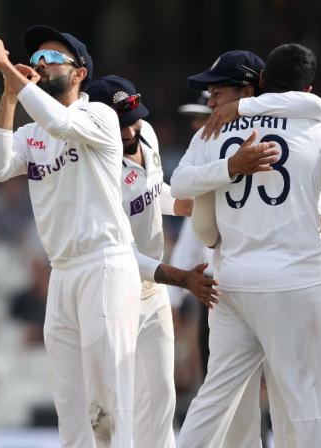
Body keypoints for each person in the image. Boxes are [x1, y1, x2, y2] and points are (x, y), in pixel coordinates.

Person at [175, 43, 321, 448]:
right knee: (307, 404)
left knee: (214, 398)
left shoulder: (214, 129)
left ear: (262, 82)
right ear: (310, 88)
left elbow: (192, 208)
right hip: (296, 283)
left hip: (231, 281)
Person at [0, 25, 141, 448]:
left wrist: (10, 72)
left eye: (52, 60)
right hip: (62, 272)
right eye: (36, 60)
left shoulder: (98, 115)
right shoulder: (33, 133)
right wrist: (10, 93)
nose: (40, 66)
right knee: (71, 406)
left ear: (80, 73)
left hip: (104, 264)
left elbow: (61, 123)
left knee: (109, 400)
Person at [88, 75, 218, 448]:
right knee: (116, 404)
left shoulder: (146, 135)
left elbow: (152, 188)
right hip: (111, 292)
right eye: (119, 122)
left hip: (152, 291)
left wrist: (182, 204)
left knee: (161, 397)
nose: (130, 130)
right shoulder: (94, 168)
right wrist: (180, 279)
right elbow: (119, 251)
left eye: (134, 117)